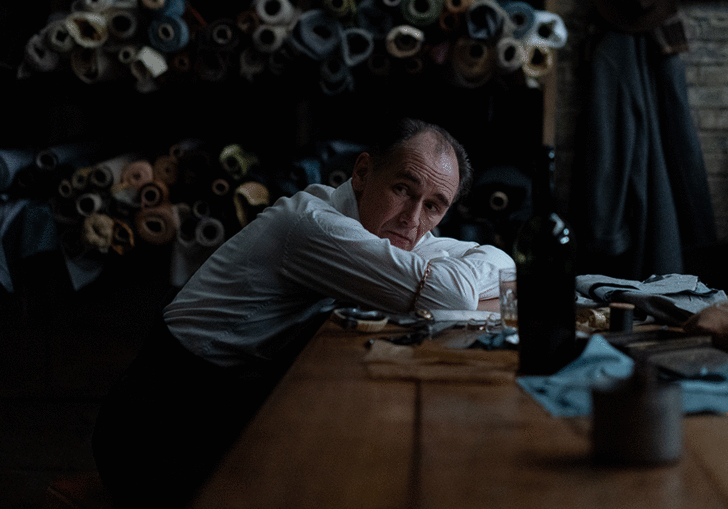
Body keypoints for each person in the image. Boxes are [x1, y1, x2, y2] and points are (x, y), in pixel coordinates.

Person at [92, 117, 514, 507]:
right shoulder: (313, 225)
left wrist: (457, 283)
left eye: (434, 206)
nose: (414, 220)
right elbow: (452, 298)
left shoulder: (390, 228)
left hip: (228, 407)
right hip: (158, 427)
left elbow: (503, 265)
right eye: (403, 189)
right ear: (363, 173)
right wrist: (457, 288)